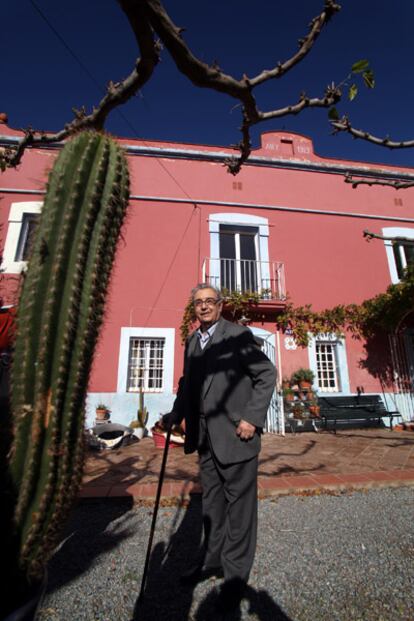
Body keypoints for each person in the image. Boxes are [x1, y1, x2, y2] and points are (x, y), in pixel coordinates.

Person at [163, 283, 276, 611]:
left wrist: (251, 419)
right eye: (198, 302)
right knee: (212, 506)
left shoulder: (238, 336)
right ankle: (211, 562)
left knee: (240, 511)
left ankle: (235, 577)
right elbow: (189, 384)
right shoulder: (193, 341)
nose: (203, 306)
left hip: (237, 437)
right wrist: (177, 412)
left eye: (210, 301)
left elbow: (266, 375)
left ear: (220, 304)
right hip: (205, 439)